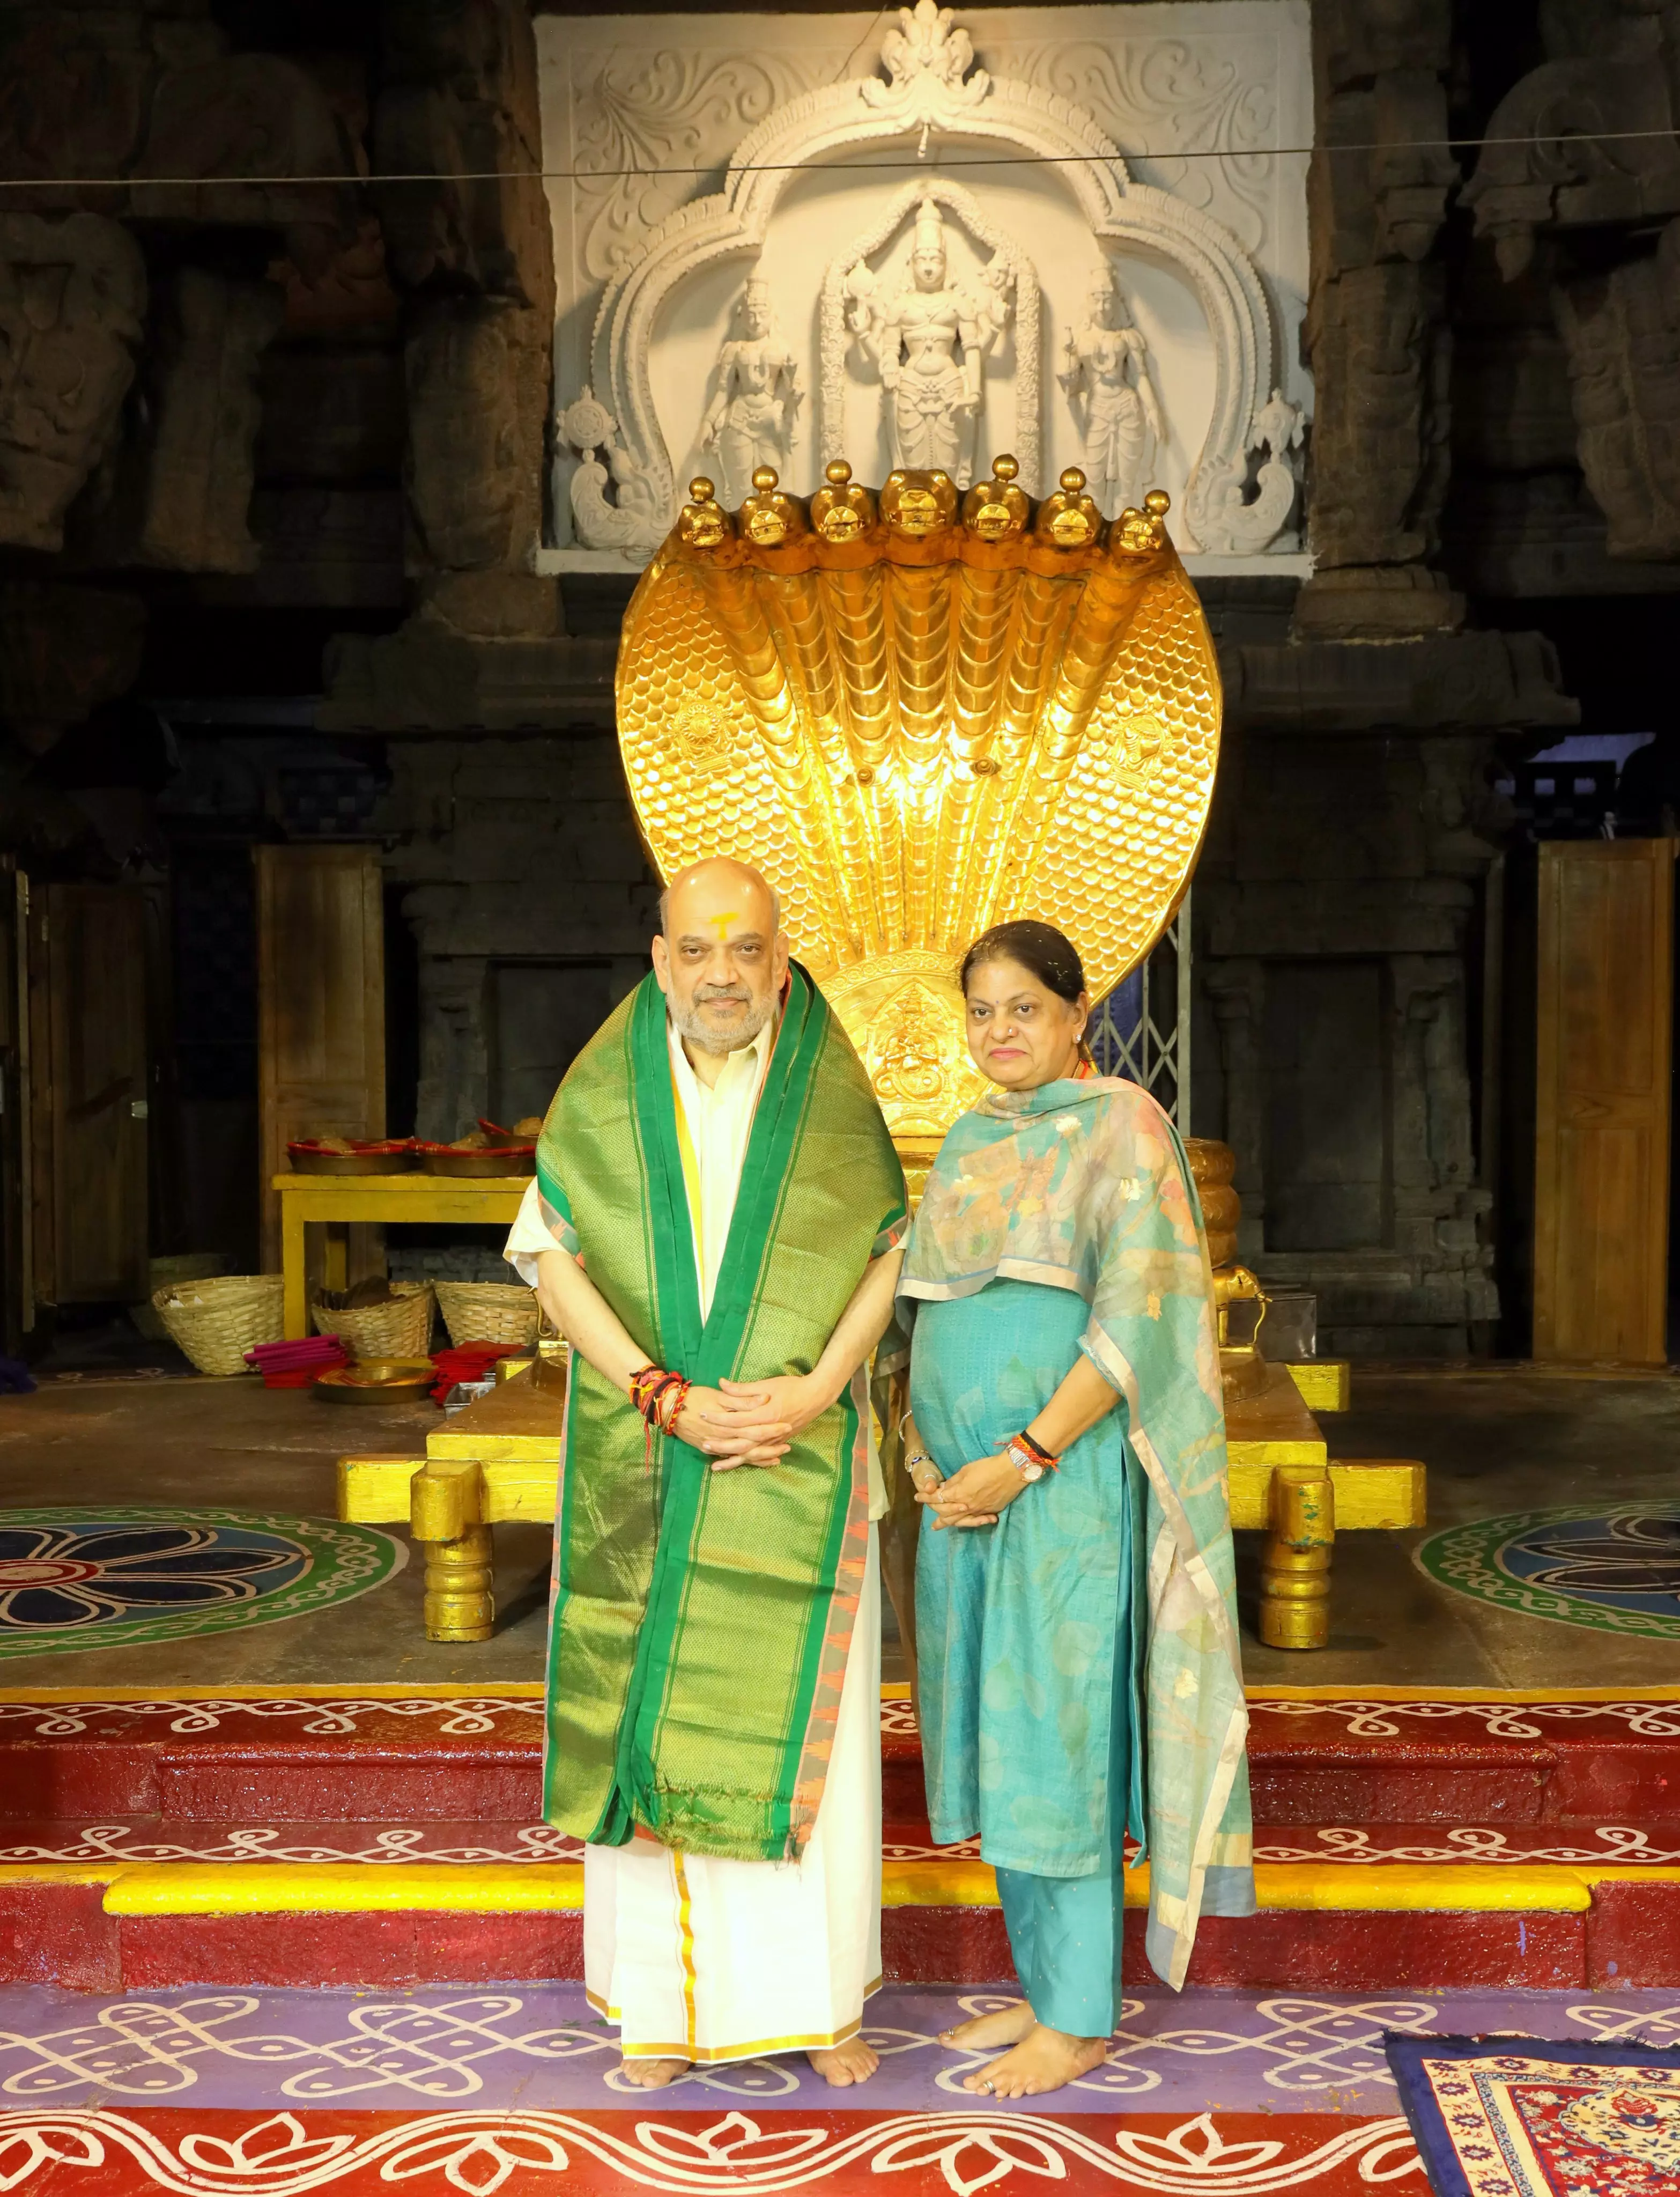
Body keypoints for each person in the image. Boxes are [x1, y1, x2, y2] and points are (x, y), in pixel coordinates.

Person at [503, 858, 907, 2088]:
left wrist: (821, 1387)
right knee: (660, 1716)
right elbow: (551, 1253)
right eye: (697, 949)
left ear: (781, 960)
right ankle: (665, 2013)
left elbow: (890, 1249)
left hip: (802, 1445)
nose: (721, 972)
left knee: (818, 1754)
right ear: (660, 957)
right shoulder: (604, 1091)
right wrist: (661, 1394)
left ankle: (824, 2005)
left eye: (746, 950)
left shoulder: (831, 1092)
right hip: (651, 1453)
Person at [896, 919, 1253, 2100]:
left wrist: (1028, 1452)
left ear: (1078, 1012)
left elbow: (1139, 1316)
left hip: (1058, 1488)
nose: (1002, 1032)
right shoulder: (965, 1137)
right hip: (961, 1497)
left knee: (1059, 1735)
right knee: (1000, 1734)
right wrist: (915, 1442)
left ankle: (1082, 2015)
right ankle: (1049, 1981)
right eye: (983, 1011)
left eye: (1025, 1008)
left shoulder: (1121, 1128)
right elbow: (923, 1308)